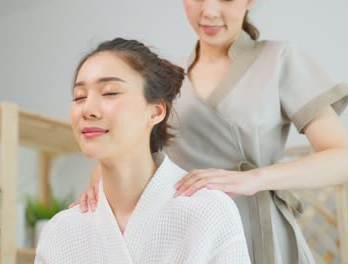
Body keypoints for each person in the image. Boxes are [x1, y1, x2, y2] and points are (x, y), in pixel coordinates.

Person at [73, 0, 348, 264]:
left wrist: (251, 180)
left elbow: (347, 160)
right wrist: (97, 188)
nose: (209, 11)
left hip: (259, 230)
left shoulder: (279, 59)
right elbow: (129, 149)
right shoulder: (166, 79)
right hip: (189, 236)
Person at [35, 38, 251, 264]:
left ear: (156, 112)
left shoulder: (207, 210)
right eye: (79, 96)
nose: (87, 109)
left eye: (109, 92)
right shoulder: (61, 230)